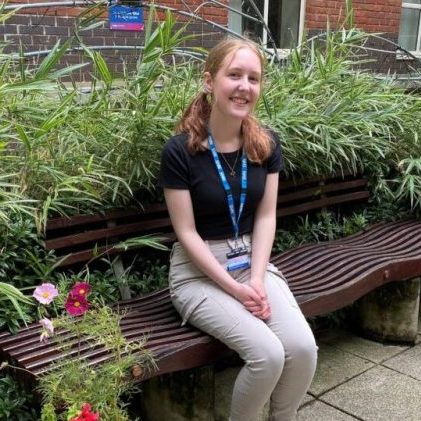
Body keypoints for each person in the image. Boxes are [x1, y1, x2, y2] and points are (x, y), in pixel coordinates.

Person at [159, 37, 318, 421]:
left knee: (301, 349)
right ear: (210, 81)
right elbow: (187, 232)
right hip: (197, 272)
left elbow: (266, 217)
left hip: (251, 261)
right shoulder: (180, 151)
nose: (245, 86)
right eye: (234, 75)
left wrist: (258, 280)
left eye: (253, 78)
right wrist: (236, 289)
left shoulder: (265, 145)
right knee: (267, 354)